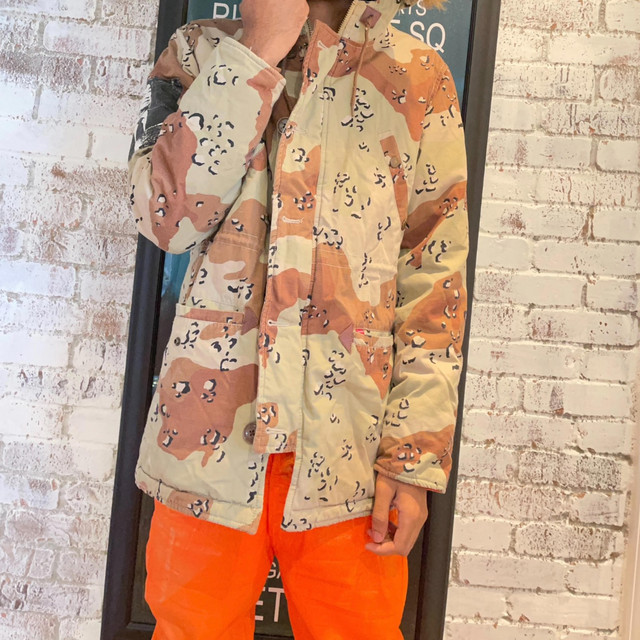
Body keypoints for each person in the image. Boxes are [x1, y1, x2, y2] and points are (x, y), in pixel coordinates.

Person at [126, 0, 468, 637]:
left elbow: (434, 281)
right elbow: (164, 220)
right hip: (207, 447)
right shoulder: (200, 50)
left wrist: (411, 455)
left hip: (351, 456)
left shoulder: (417, 75)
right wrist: (259, 46)